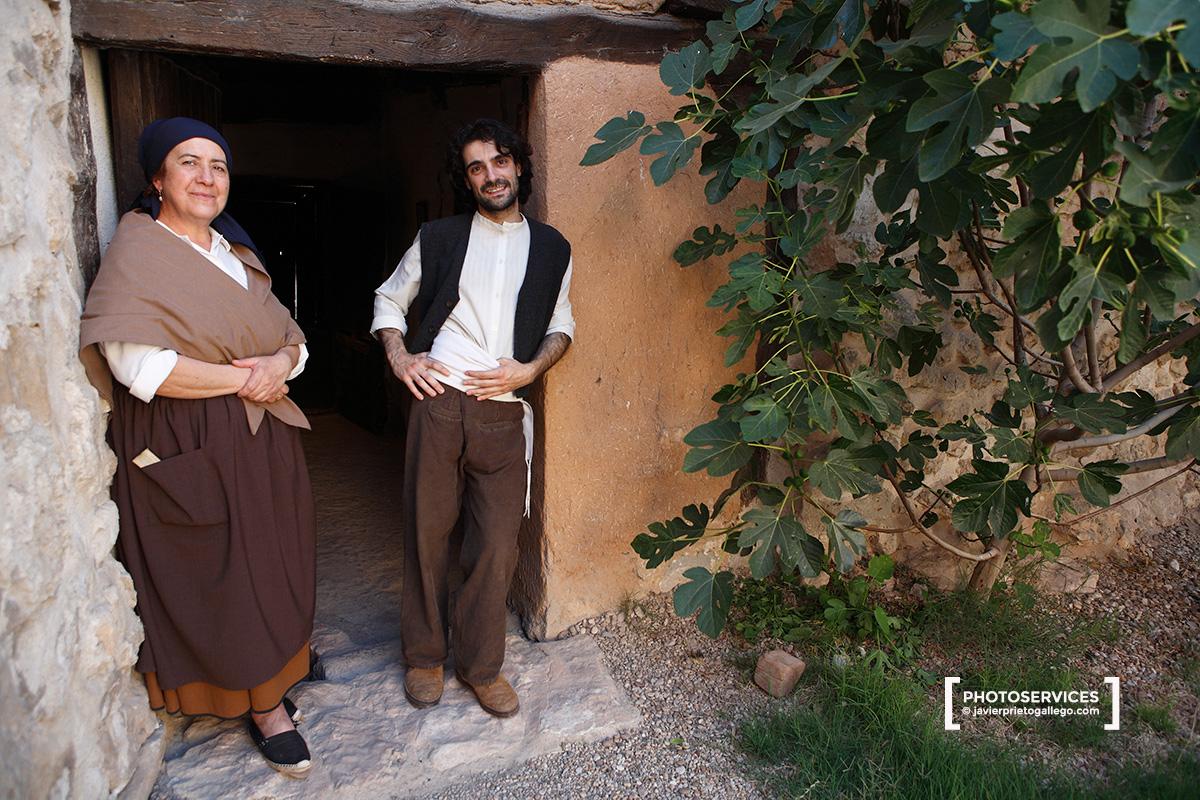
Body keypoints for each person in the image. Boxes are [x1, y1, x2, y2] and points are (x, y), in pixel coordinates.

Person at [79, 118, 317, 777]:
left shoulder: (232, 253)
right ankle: (263, 705)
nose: (207, 177)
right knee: (224, 570)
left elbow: (294, 338)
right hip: (190, 442)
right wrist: (249, 379)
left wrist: (280, 363)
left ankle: (282, 662)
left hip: (261, 432)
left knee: (275, 554)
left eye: (218, 165)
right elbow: (140, 368)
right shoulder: (139, 253)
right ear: (158, 178)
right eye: (189, 162)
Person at [372, 118, 575, 718]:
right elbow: (388, 299)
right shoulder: (438, 237)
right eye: (476, 167)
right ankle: (424, 656)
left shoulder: (553, 248)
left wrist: (528, 370)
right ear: (466, 180)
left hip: (503, 414)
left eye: (500, 161)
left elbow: (562, 326)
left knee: (497, 547)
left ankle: (482, 666)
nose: (491, 175)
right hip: (438, 402)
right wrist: (400, 356)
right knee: (427, 534)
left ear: (519, 166)